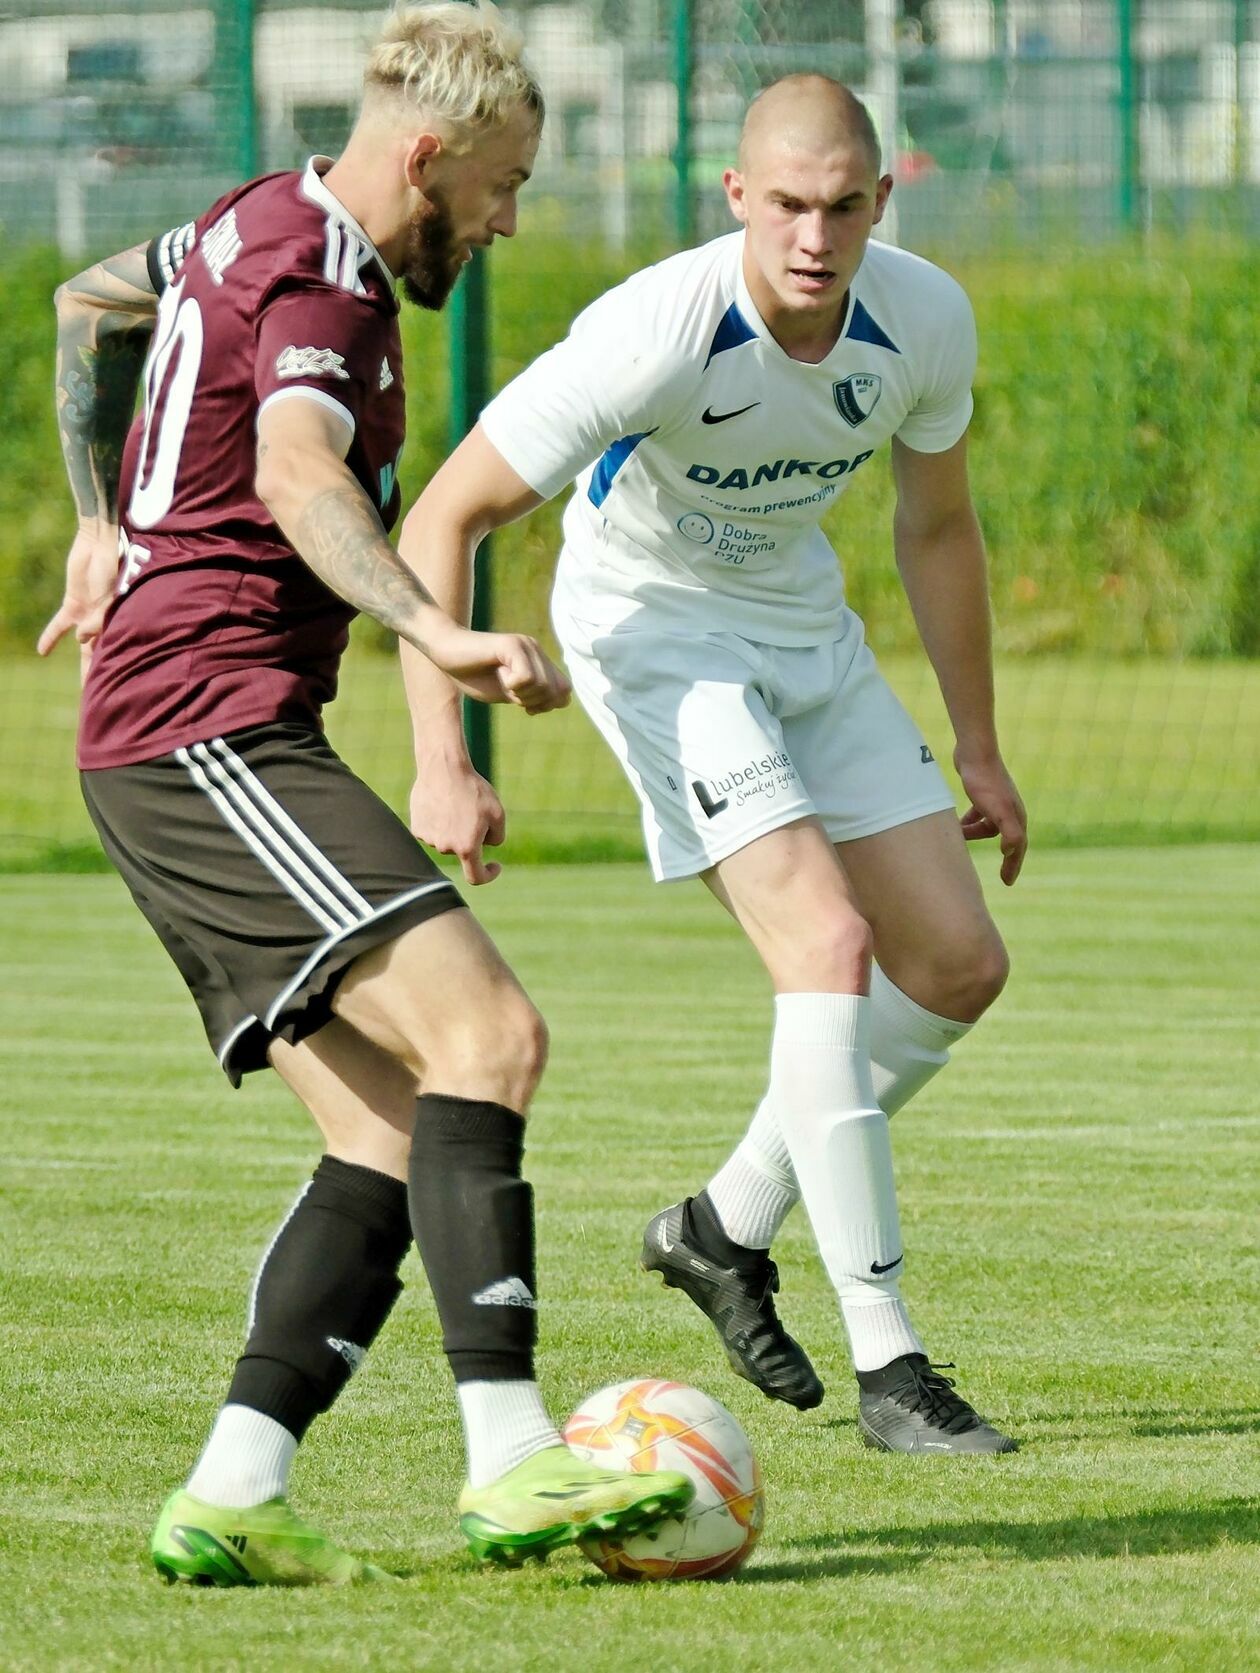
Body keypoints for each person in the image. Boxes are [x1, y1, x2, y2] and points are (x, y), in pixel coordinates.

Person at [38, 1, 692, 1586]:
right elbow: (296, 473)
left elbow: (87, 302)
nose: (510, 217)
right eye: (502, 184)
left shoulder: (245, 217)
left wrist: (94, 511)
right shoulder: (326, 274)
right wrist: (433, 625)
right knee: (493, 1035)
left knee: (397, 1133)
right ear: (428, 156)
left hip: (192, 732)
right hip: (206, 728)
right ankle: (515, 1458)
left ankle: (235, 1487)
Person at [399, 74, 1029, 1455]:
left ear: (881, 200)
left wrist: (979, 743)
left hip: (801, 623)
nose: (815, 234)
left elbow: (938, 529)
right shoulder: (657, 329)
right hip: (653, 634)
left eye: (844, 205)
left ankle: (721, 1226)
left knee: (960, 964)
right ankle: (893, 1367)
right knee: (827, 938)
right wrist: (440, 754)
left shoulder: (923, 319)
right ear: (738, 197)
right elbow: (445, 517)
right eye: (788, 204)